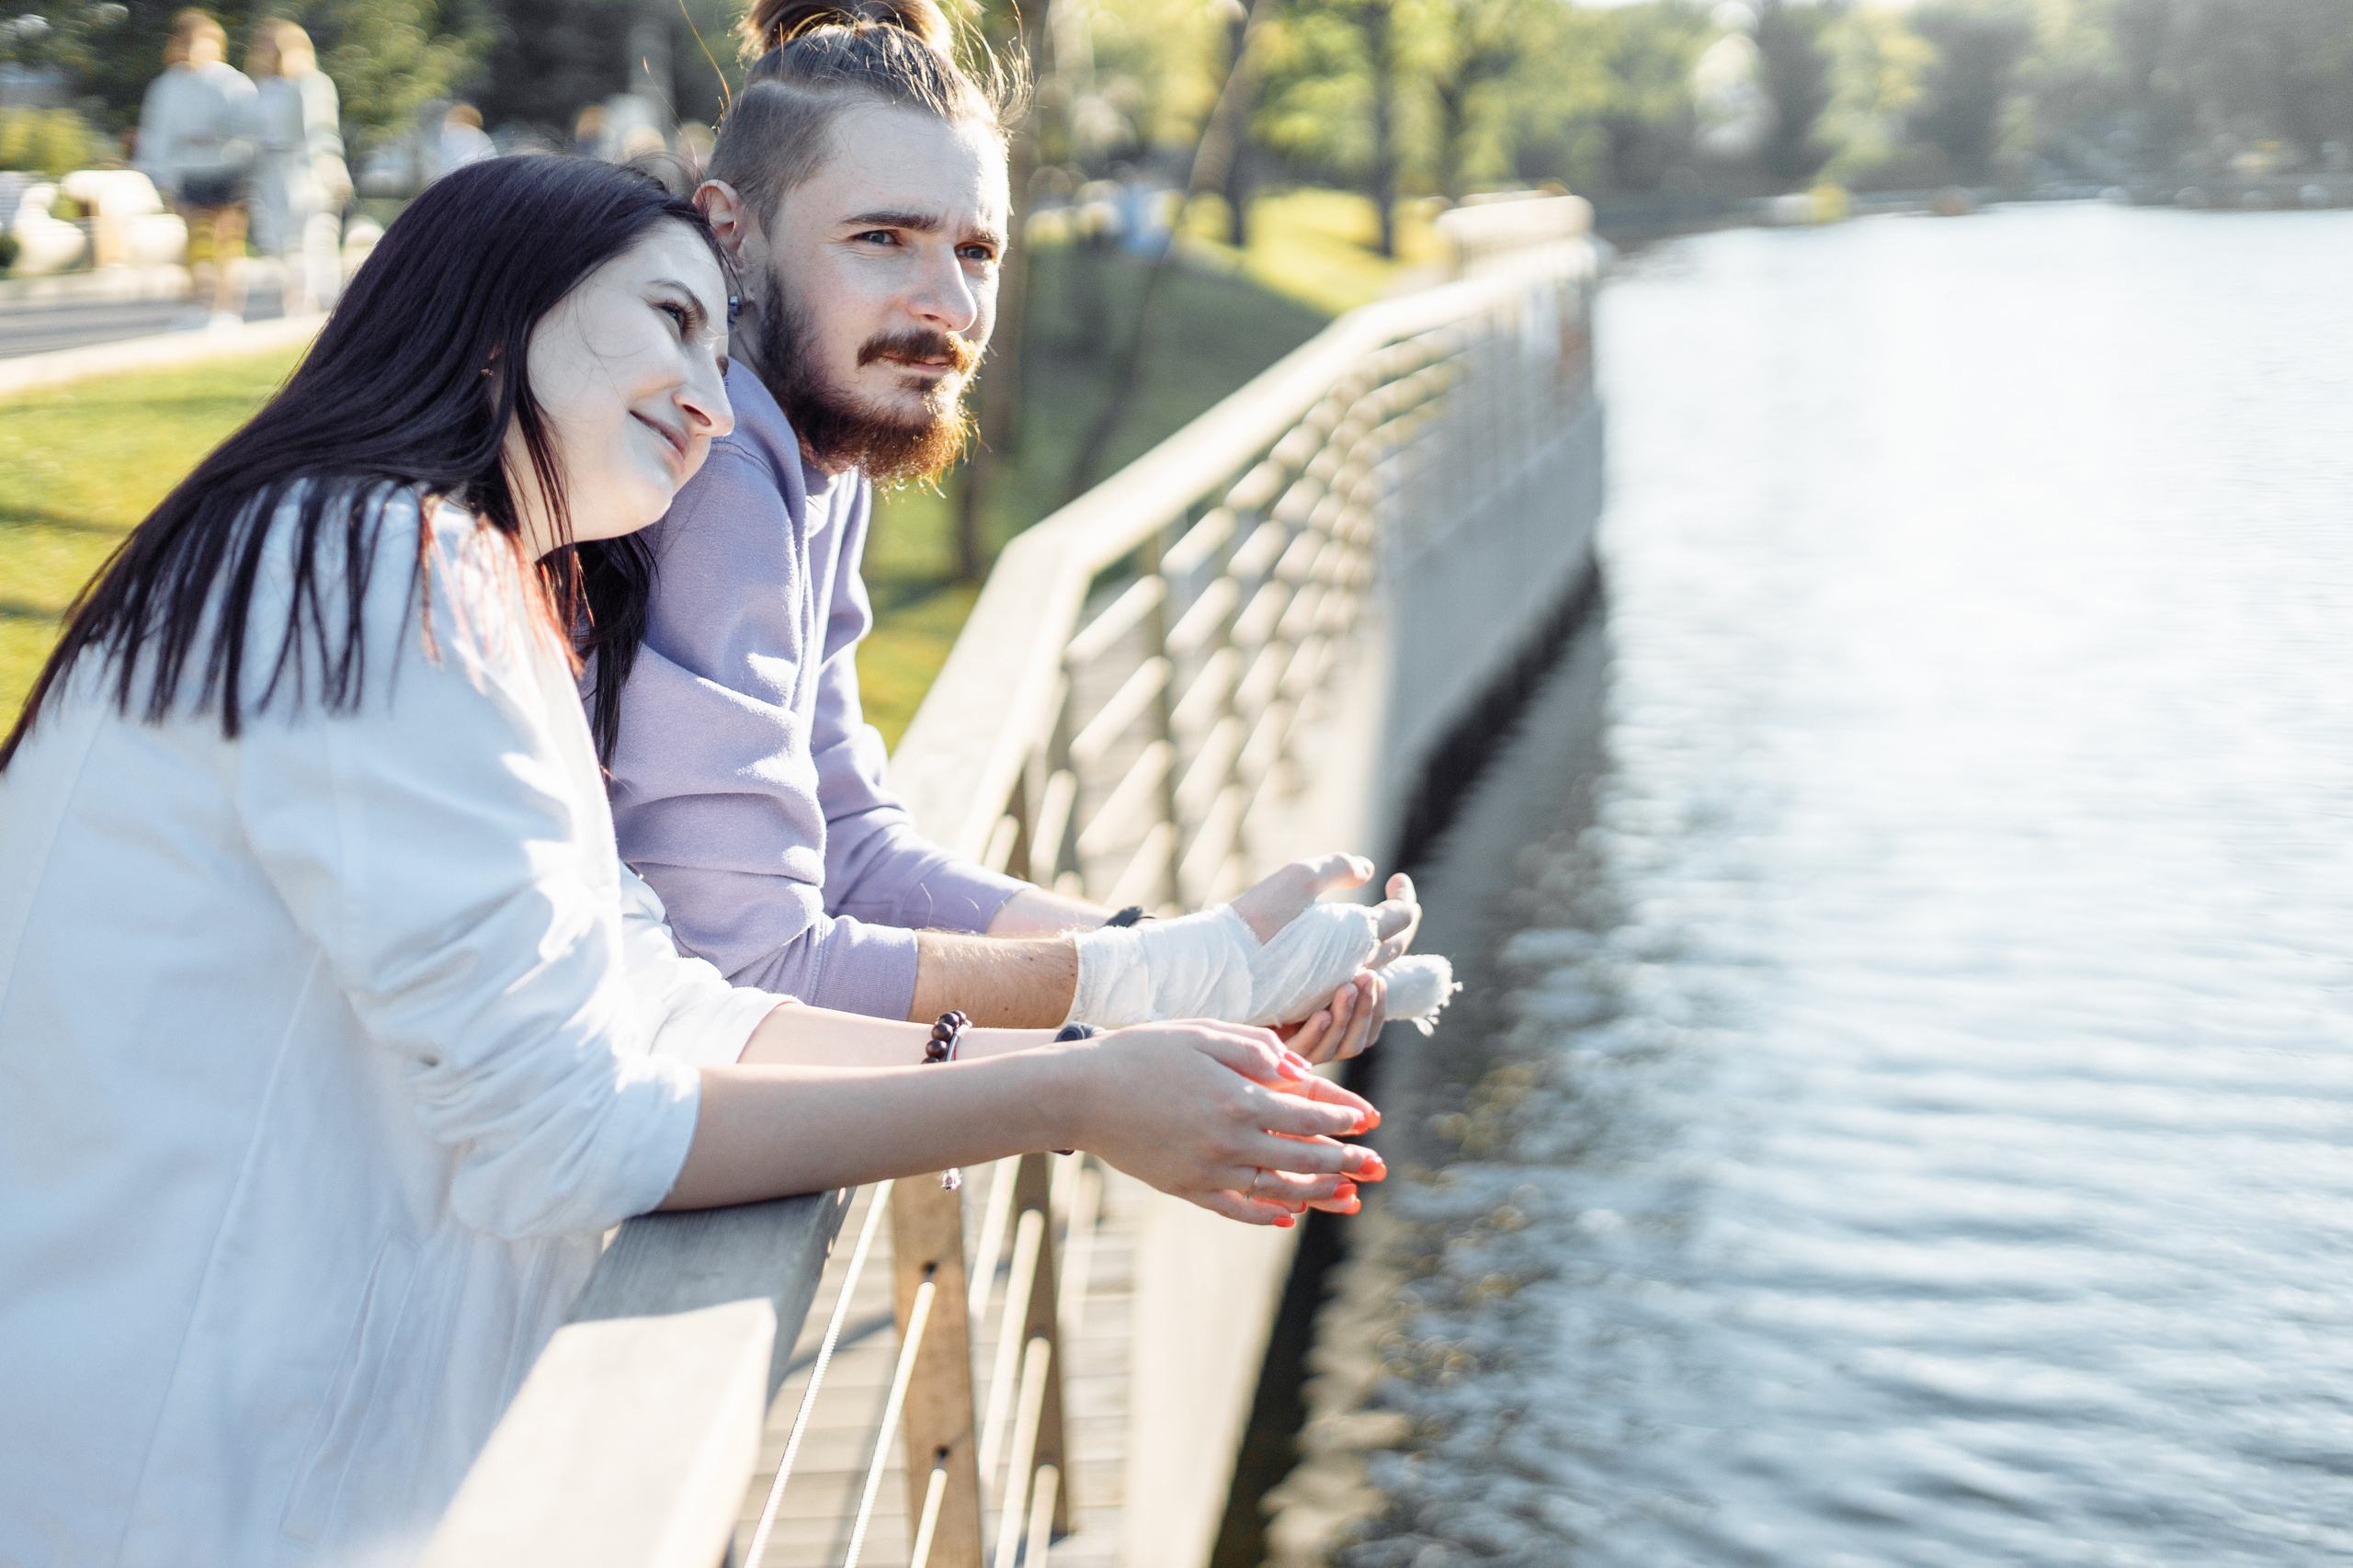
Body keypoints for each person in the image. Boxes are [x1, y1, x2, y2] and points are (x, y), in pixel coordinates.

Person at [0, 154, 1380, 1568]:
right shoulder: (366, 563)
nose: (714, 401)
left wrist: (1143, 1016)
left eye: (721, 352)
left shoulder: (454, 583)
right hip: (169, 1495)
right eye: (669, 320)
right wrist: (1074, 1092)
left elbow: (663, 1006)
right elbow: (576, 1126)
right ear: (491, 313)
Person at [588, 0, 1424, 1058]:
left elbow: (849, 841)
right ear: (728, 235)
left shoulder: (815, 448)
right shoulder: (719, 469)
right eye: (881, 239)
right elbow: (750, 964)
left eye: (977, 249)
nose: (947, 301)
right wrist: (1169, 981)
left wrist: (1196, 954)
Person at [134, 8, 255, 330]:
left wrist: (222, 139)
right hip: (189, 173)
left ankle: (227, 309)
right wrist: (160, 177)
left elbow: (250, 128)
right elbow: (155, 134)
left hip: (226, 171)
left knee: (227, 244)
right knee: (195, 245)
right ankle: (199, 305)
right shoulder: (167, 86)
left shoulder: (232, 83)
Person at [245, 19, 347, 313]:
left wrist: (328, 166)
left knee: (315, 234)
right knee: (280, 238)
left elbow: (321, 128)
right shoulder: (259, 88)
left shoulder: (312, 83)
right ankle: (296, 295)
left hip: (306, 165)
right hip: (270, 168)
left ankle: (321, 299)